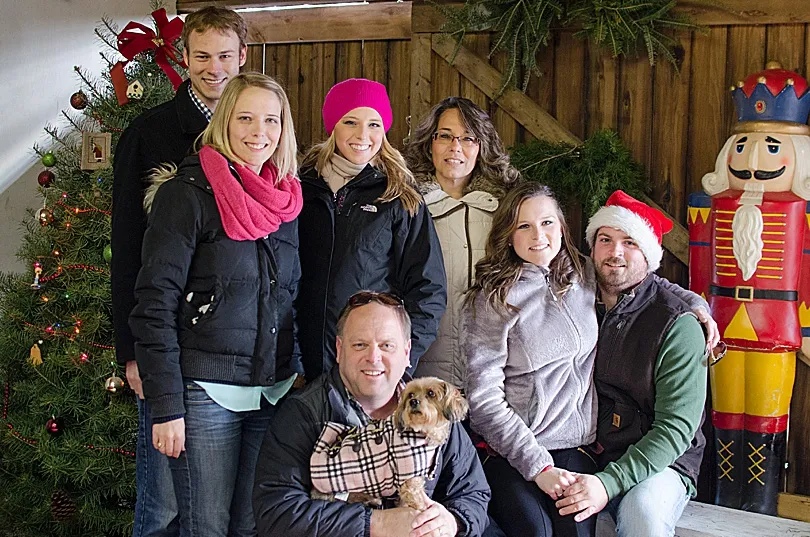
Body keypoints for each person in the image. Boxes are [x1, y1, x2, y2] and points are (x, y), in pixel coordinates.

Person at [464, 183, 714, 537]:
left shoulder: (579, 275)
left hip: (581, 447)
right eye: (524, 226)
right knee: (536, 530)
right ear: (508, 233)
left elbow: (649, 285)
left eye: (547, 223)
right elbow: (483, 398)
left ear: (561, 228)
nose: (538, 236)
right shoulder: (498, 298)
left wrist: (697, 306)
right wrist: (538, 466)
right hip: (519, 447)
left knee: (587, 523)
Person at [129, 72, 302, 537]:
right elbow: (154, 303)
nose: (259, 131)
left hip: (271, 390)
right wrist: (167, 406)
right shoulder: (186, 194)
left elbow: (289, 295)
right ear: (224, 121)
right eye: (245, 118)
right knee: (206, 527)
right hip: (205, 392)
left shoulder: (286, 202)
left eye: (271, 120)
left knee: (252, 526)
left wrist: (297, 368)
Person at [111, 7, 247, 536]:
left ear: (243, 57)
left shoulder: (258, 131)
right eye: (203, 56)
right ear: (184, 58)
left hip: (234, 351)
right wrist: (131, 352)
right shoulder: (150, 133)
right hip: (165, 344)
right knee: (164, 505)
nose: (215, 69)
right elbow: (128, 249)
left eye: (225, 56)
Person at [253, 291, 491, 537]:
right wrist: (376, 523)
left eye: (386, 345)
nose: (373, 357)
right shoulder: (303, 413)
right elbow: (275, 513)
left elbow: (474, 494)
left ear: (406, 352)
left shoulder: (437, 412)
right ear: (339, 349)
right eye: (360, 345)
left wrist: (453, 521)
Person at [556, 190, 708, 537]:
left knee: (643, 514)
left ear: (649, 254)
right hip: (584, 450)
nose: (615, 252)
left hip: (660, 461)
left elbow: (675, 430)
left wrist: (607, 483)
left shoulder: (677, 324)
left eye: (629, 242)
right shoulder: (573, 300)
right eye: (605, 240)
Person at [296, 78, 446, 380]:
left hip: (370, 372)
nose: (362, 135)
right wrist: (288, 362)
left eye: (374, 124)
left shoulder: (398, 198)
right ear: (333, 126)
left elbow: (428, 290)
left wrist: (399, 363)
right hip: (300, 371)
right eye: (350, 122)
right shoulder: (300, 190)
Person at [404, 97, 520, 387]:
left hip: (492, 377)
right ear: (429, 143)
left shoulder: (506, 210)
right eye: (445, 136)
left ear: (481, 146)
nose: (455, 147)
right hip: (422, 372)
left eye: (468, 138)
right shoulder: (405, 206)